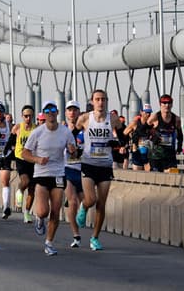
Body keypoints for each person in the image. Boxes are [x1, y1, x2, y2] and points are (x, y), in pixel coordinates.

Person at [23, 101, 78, 257]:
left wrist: (73, 151)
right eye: (47, 111)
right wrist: (37, 159)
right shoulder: (38, 132)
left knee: (55, 211)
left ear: (57, 112)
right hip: (41, 174)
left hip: (58, 174)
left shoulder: (65, 132)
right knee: (43, 211)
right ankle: (39, 219)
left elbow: (73, 153)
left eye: (53, 110)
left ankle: (49, 243)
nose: (51, 113)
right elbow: (25, 153)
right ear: (44, 114)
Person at [76, 88, 122, 251]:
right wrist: (75, 147)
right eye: (97, 99)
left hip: (105, 165)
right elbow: (74, 133)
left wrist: (117, 143)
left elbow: (123, 136)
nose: (100, 102)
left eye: (103, 99)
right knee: (91, 199)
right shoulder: (84, 118)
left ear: (107, 101)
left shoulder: (113, 119)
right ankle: (83, 206)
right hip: (88, 164)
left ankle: (95, 238)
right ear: (92, 102)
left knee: (101, 204)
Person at [62, 102, 85, 247]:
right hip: (67, 169)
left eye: (75, 110)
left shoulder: (85, 130)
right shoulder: (61, 131)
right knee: (73, 202)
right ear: (66, 113)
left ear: (79, 112)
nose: (72, 113)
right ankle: (76, 235)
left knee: (87, 202)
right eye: (69, 110)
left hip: (82, 170)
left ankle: (80, 215)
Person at [13, 104, 39, 222]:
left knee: (32, 188)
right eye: (26, 116)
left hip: (32, 159)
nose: (28, 118)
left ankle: (27, 213)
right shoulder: (18, 127)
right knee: (25, 181)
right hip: (21, 158)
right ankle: (19, 191)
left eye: (30, 116)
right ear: (22, 116)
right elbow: (10, 141)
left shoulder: (36, 129)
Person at [146, 94, 183, 173]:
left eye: (169, 103)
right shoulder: (155, 117)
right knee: (157, 176)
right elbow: (144, 130)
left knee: (173, 173)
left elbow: (180, 135)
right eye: (164, 103)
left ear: (172, 104)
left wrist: (179, 147)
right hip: (156, 153)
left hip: (170, 153)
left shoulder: (176, 119)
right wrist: (152, 136)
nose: (167, 105)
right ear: (160, 104)